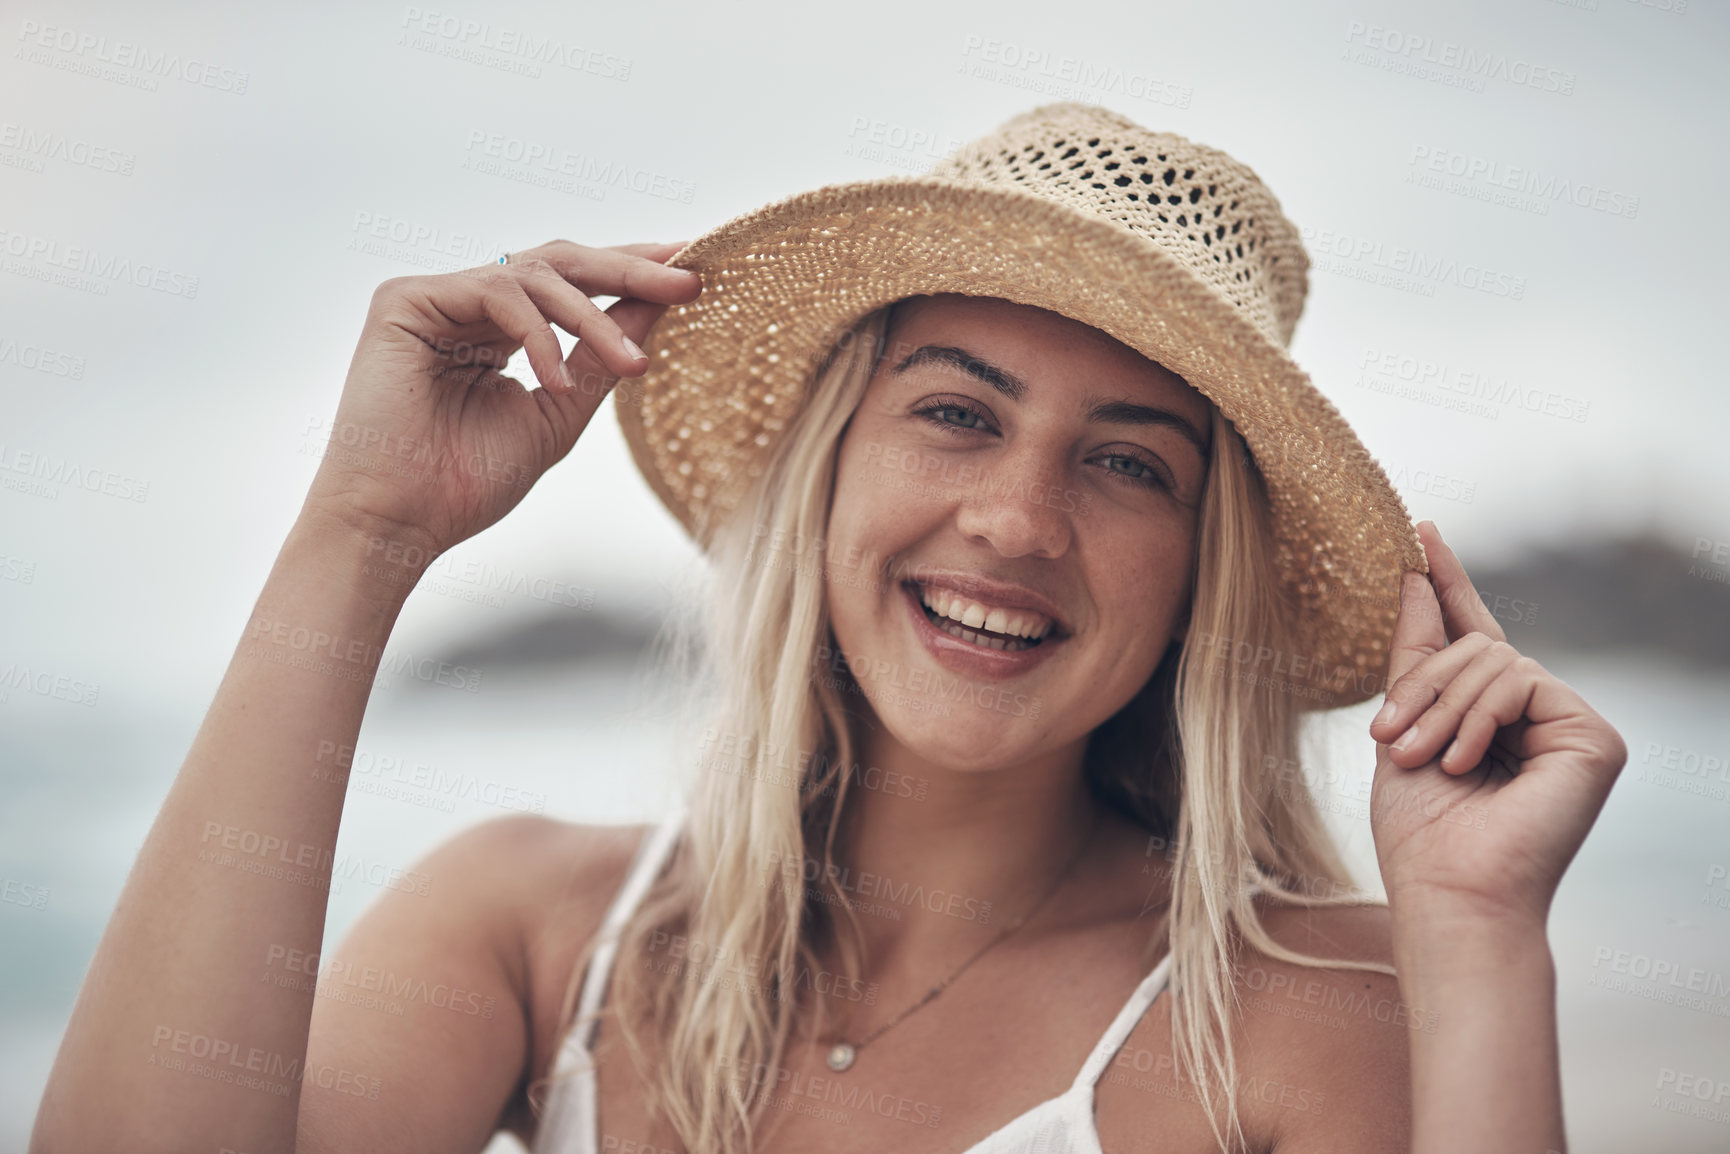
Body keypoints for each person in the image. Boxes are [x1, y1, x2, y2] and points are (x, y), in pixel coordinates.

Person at [31, 103, 1626, 1154]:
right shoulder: (538, 933)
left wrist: (1480, 936)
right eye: (954, 412)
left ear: (1206, 568)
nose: (1015, 518)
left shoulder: (1315, 1001)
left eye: (1129, 461)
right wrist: (360, 540)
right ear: (829, 463)